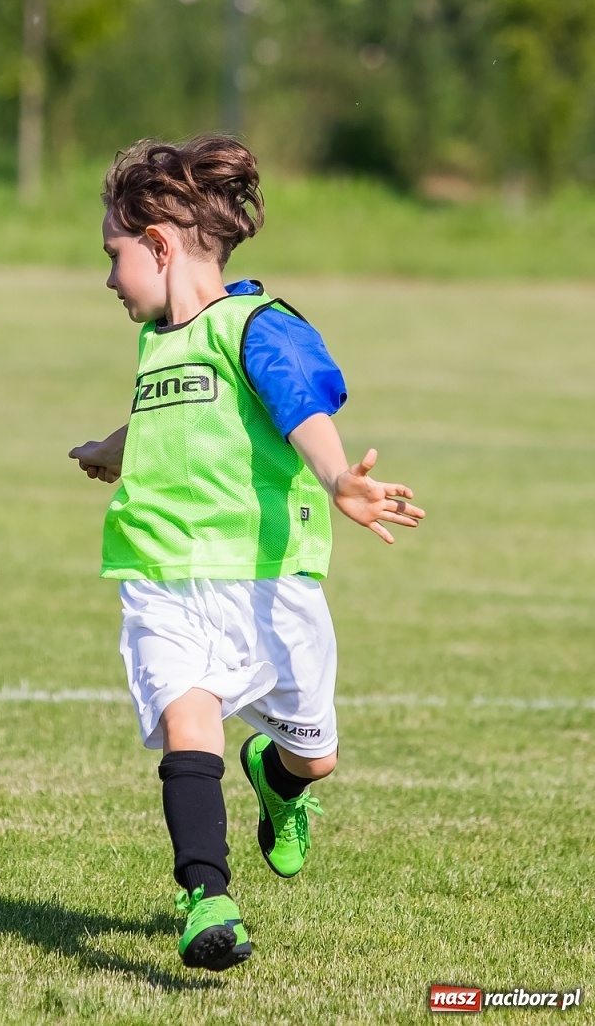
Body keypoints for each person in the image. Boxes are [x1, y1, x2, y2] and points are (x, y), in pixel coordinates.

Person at [68, 135, 424, 970]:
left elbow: (297, 403)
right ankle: (208, 899)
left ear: (158, 245)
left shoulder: (256, 326)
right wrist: (114, 449)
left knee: (316, 754)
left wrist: (338, 477)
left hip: (268, 585)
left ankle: (281, 778)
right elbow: (174, 418)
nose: (109, 277)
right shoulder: (160, 341)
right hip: (161, 577)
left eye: (113, 255)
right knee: (188, 725)